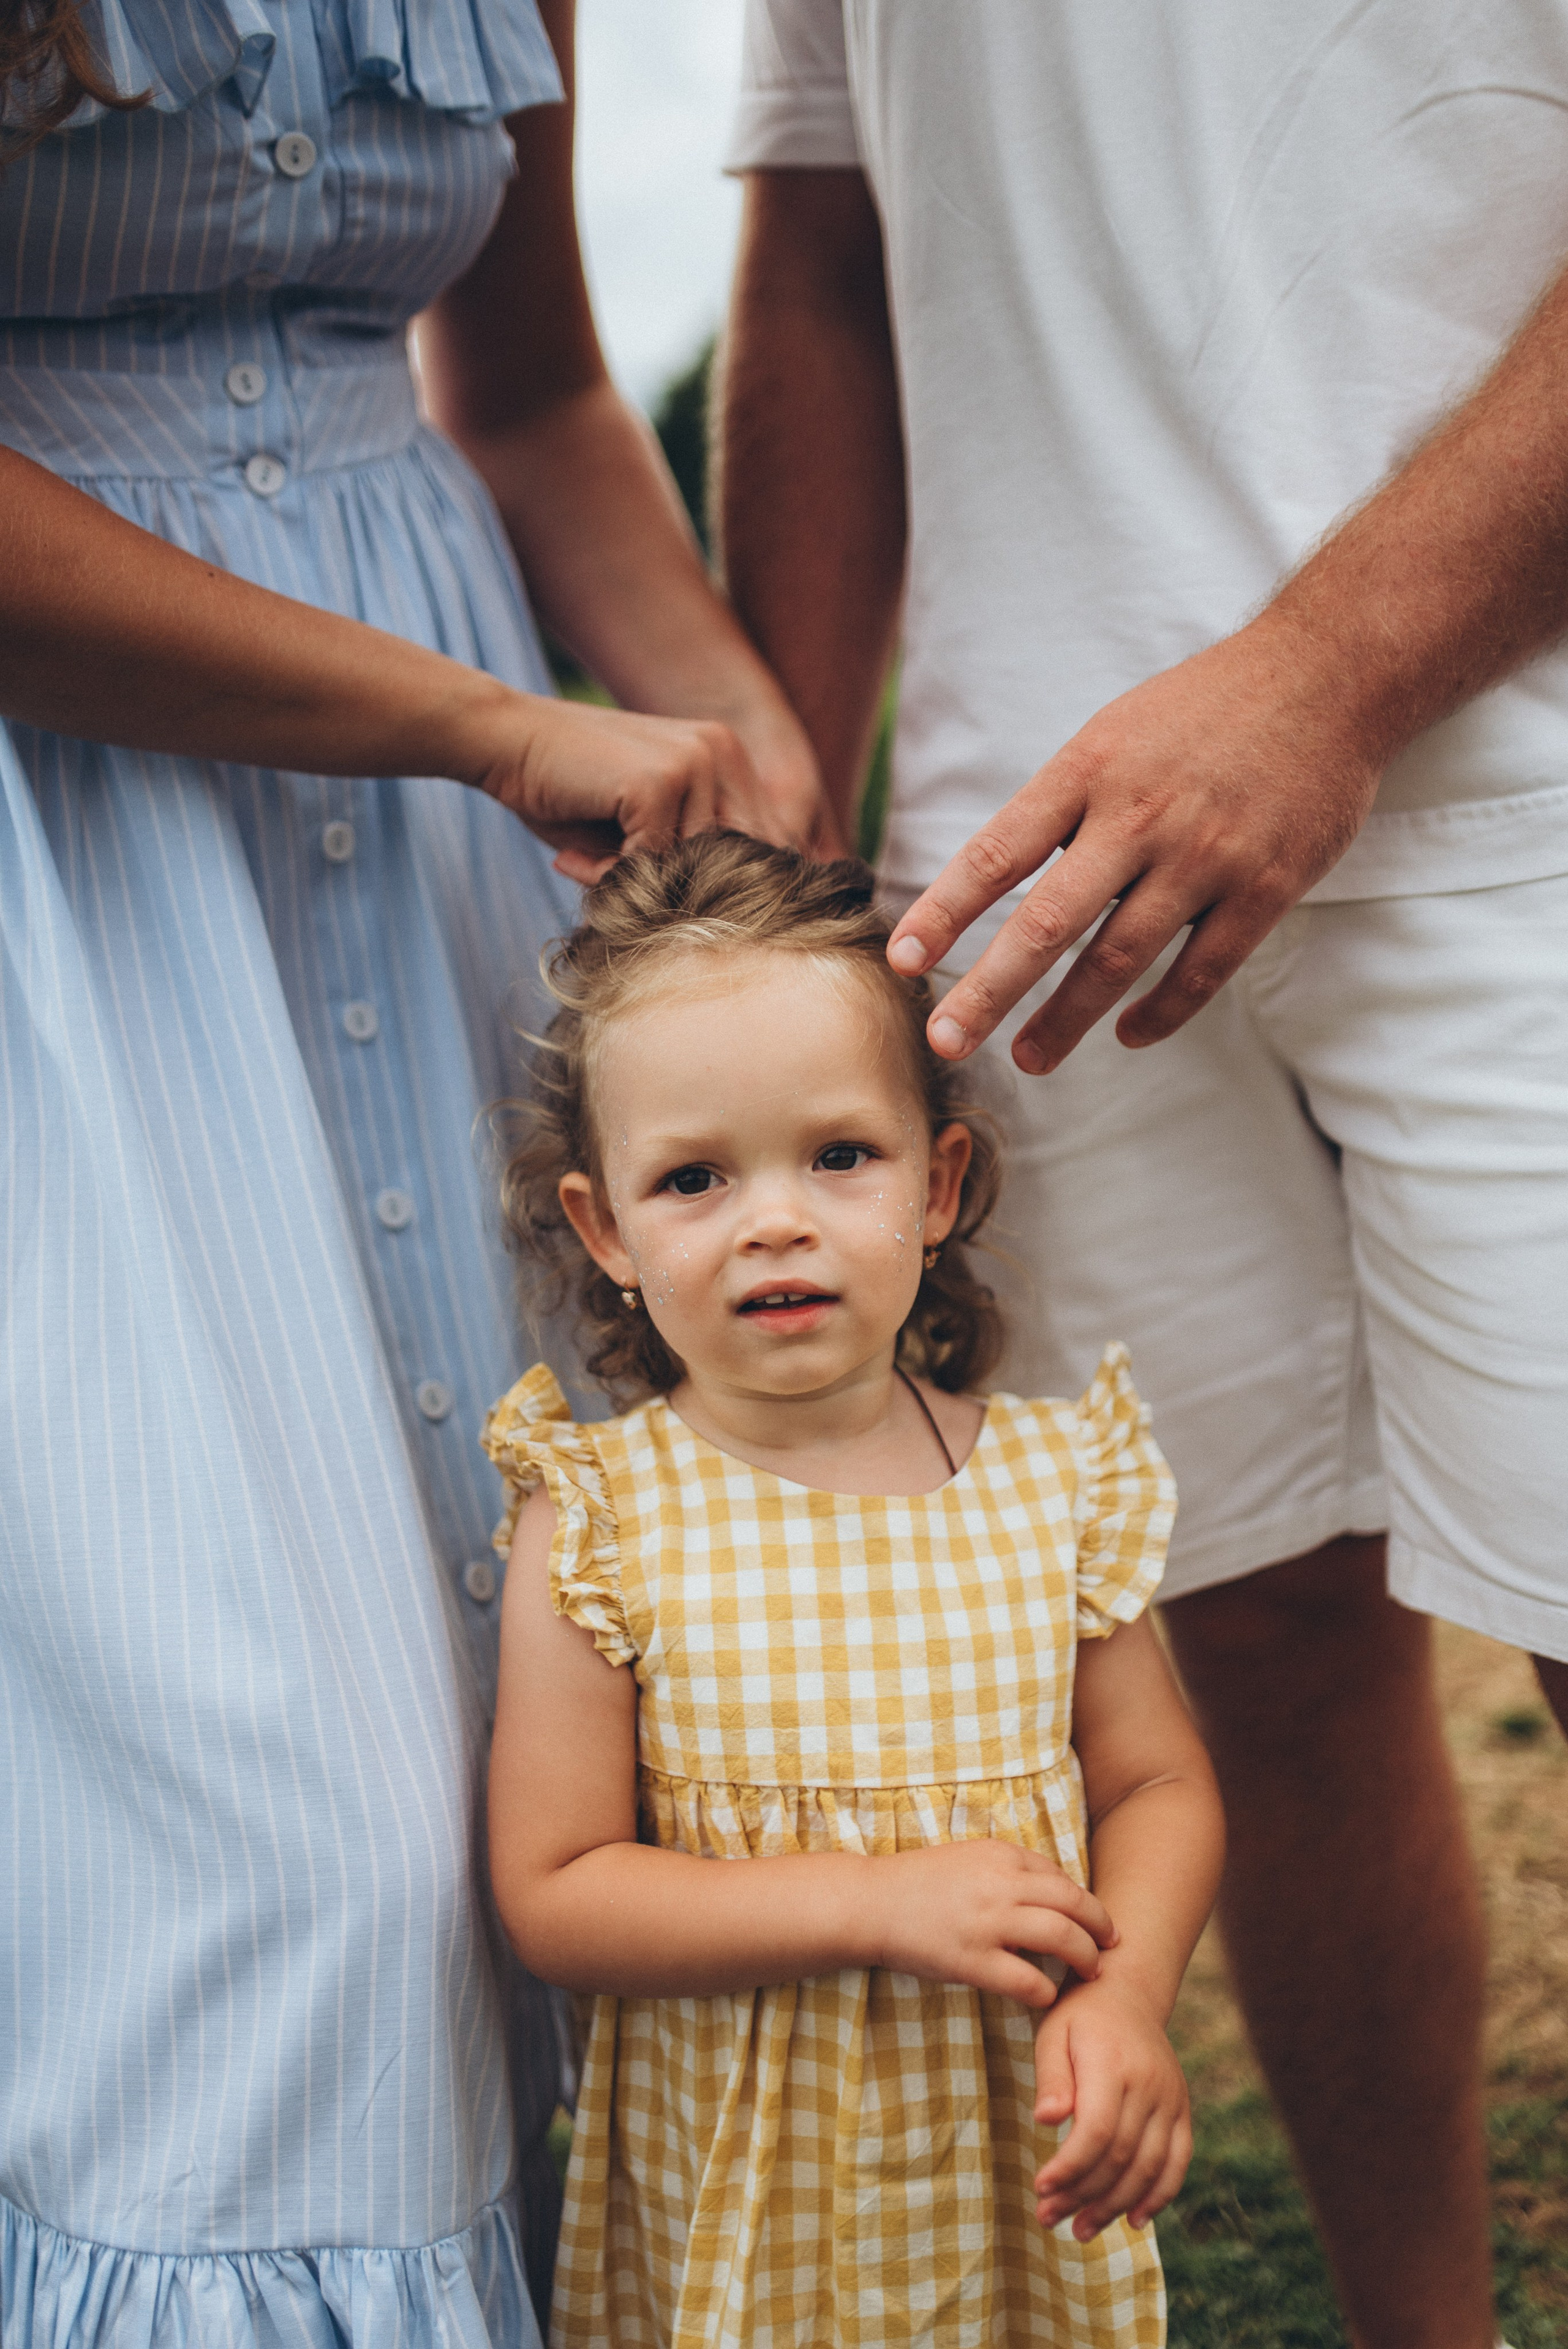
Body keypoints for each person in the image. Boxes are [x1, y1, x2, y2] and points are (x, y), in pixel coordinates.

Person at [715, 8, 1568, 2346]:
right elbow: (823, 248)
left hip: (1527, 783)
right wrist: (790, 874)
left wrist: (1321, 673)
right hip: (1029, 861)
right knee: (1270, 1635)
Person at [0, 0, 820, 2337]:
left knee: (549, 1742)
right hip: (70, 874)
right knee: (291, 1859)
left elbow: (538, 386)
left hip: (457, 839)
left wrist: (743, 751)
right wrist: (483, 721)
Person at [481, 832, 1224, 2348]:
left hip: (1008, 2146)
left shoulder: (1048, 1481)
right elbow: (556, 1888)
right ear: (604, 1229)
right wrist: (873, 1902)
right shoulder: (606, 1518)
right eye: (692, 1177)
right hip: (749, 2184)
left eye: (839, 1154)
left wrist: (1124, 1990)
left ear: (936, 1181)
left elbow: (1155, 1780)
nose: (774, 1219)